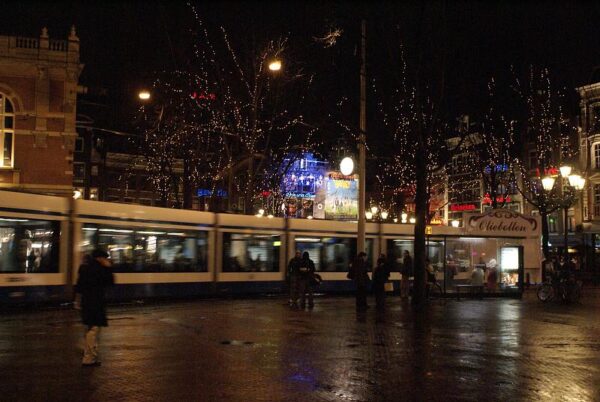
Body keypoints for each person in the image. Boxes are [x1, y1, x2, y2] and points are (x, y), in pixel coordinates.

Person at [74, 249, 114, 367]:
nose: (106, 260)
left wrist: (77, 301)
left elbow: (79, 286)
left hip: (86, 303)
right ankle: (89, 358)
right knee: (93, 331)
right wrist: (108, 268)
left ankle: (90, 355)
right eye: (105, 258)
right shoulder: (101, 269)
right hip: (96, 304)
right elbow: (110, 283)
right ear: (100, 258)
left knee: (90, 330)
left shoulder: (84, 268)